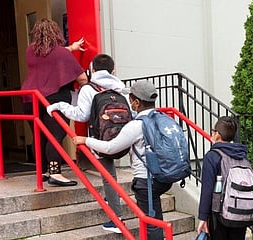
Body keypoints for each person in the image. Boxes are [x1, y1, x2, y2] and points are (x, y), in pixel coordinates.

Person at [72, 80, 171, 240]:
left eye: (130, 99)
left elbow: (111, 148)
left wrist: (86, 140)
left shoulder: (136, 125)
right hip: (164, 176)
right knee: (155, 216)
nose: (129, 102)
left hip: (146, 180)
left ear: (137, 102)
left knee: (150, 223)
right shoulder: (162, 118)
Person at [46, 53, 126, 233]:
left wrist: (60, 105)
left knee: (108, 176)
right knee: (110, 174)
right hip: (123, 138)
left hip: (101, 137)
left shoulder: (89, 89)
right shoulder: (120, 88)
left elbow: (81, 115)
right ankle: (111, 200)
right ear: (113, 71)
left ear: (92, 70)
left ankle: (117, 219)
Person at [21, 18, 87, 187]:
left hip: (30, 99)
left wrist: (70, 48)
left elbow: (48, 54)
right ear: (56, 32)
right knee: (55, 136)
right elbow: (82, 78)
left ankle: (43, 171)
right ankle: (56, 173)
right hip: (55, 98)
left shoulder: (30, 51)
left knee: (40, 135)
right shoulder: (61, 53)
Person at [197, 116, 249, 240]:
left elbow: (207, 189)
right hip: (241, 212)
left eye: (213, 131)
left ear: (218, 135)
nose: (211, 133)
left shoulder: (212, 156)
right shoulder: (242, 156)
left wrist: (203, 217)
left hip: (219, 215)